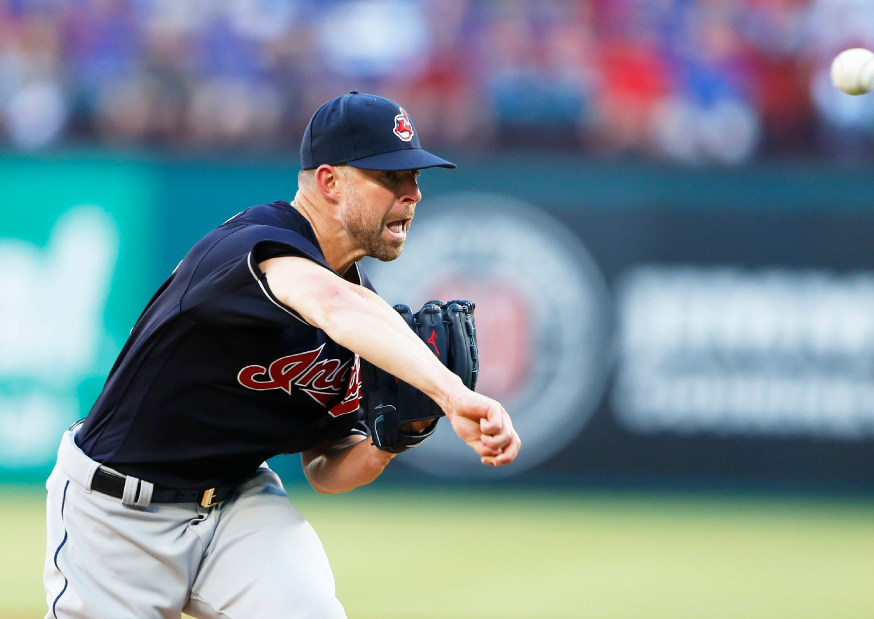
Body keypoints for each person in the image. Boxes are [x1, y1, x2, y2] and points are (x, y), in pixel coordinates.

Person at [43, 91, 521, 618]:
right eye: (390, 177)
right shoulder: (253, 245)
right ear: (329, 181)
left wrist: (390, 440)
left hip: (237, 502)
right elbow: (333, 303)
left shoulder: (362, 321)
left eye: (415, 177)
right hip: (117, 510)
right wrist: (452, 393)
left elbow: (325, 468)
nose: (412, 193)